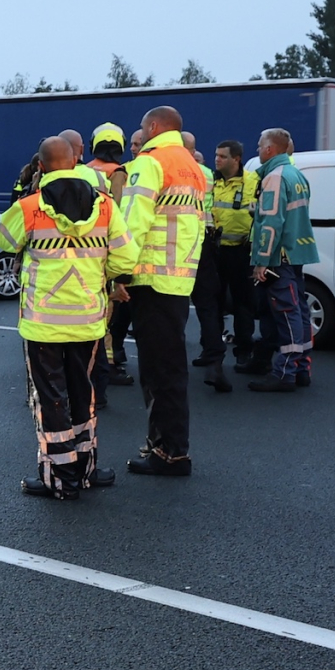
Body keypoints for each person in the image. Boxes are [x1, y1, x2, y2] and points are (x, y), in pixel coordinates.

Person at [0, 135, 136, 500]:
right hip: (87, 320)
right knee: (82, 394)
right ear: (75, 163)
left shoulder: (30, 206)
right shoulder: (104, 206)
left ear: (41, 166)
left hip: (43, 323)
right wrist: (99, 276)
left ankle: (60, 478)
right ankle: (86, 470)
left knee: (51, 399)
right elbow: (125, 259)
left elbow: (1, 239)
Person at [119, 106, 208, 478]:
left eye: (142, 129)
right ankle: (170, 447)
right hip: (179, 278)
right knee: (171, 369)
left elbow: (133, 222)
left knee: (158, 372)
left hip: (151, 279)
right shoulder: (193, 167)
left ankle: (168, 453)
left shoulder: (150, 162)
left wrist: (118, 272)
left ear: (154, 127)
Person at [245, 128, 317, 393]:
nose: (257, 148)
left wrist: (262, 260)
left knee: (287, 314)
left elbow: (271, 223)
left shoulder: (274, 178)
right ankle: (301, 368)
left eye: (259, 144)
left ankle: (284, 371)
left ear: (269, 149)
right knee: (300, 311)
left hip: (280, 258)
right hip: (296, 255)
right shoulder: (296, 174)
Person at [194, 139, 256, 391]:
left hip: (241, 250)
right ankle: (210, 350)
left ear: (236, 159)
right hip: (215, 251)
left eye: (222, 156)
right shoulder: (211, 180)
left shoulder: (253, 181)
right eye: (216, 155)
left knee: (244, 302)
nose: (217, 160)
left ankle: (243, 350)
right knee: (212, 302)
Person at [86, 123, 134, 386]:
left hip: (86, 246)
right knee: (108, 307)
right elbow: (118, 211)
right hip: (107, 246)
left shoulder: (87, 170)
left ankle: (98, 362)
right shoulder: (117, 173)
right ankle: (107, 365)